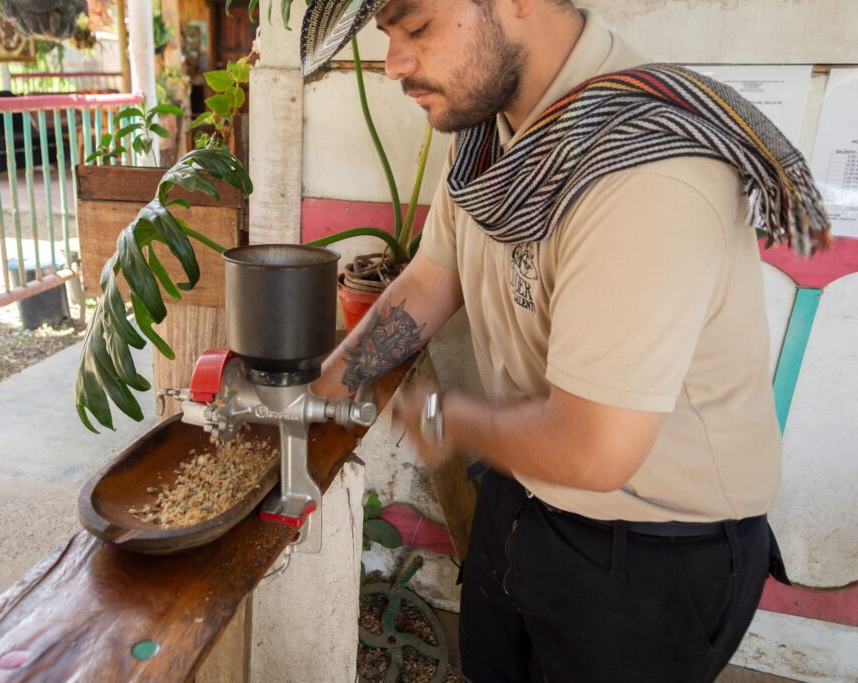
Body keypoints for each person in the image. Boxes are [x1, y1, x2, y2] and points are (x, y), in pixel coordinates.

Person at [302, 0, 829, 681]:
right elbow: (432, 279)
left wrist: (444, 415)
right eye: (389, 35)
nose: (395, 63)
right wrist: (321, 387)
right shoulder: (489, 133)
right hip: (522, 495)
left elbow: (593, 448)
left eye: (419, 27)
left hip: (651, 554)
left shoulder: (646, 169)